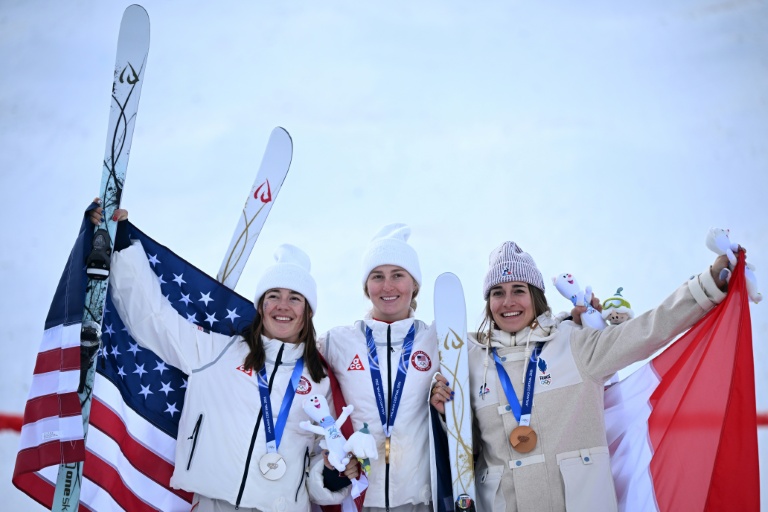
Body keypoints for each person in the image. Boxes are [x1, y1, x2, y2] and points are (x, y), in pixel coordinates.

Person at [88, 205, 359, 512]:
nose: (283, 306)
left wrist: (334, 476)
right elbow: (154, 319)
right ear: (260, 306)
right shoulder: (219, 353)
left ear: (308, 312)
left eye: (294, 298)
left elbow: (317, 467)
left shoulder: (319, 381)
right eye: (273, 296)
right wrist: (123, 243)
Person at [431, 241, 730, 511]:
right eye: (498, 293)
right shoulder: (469, 360)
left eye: (519, 290)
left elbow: (646, 331)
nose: (508, 302)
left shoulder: (576, 344)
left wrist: (705, 288)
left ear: (536, 297)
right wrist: (449, 416)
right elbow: (469, 453)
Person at [309, 223, 440, 512]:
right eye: (377, 276)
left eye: (398, 275)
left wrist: (564, 322)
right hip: (360, 498)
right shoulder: (337, 343)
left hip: (420, 499)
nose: (387, 286)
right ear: (366, 286)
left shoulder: (438, 340)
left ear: (414, 284)